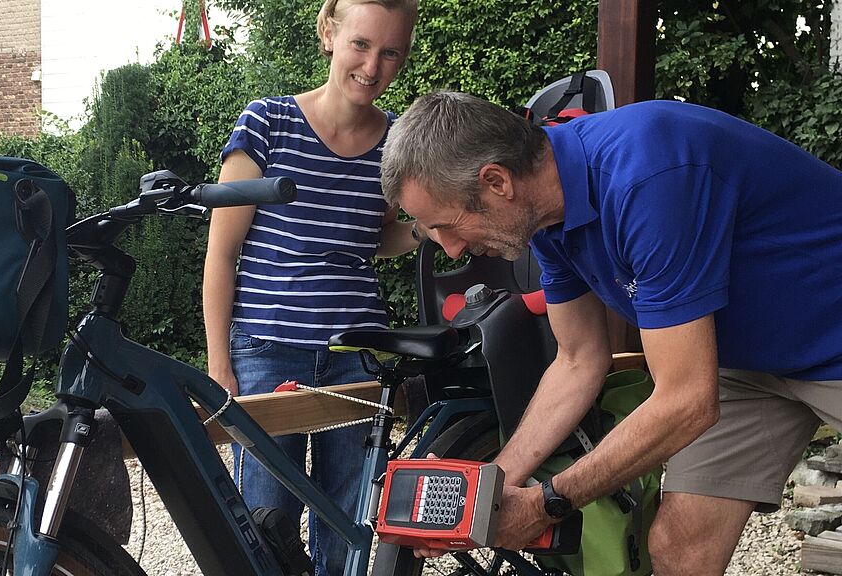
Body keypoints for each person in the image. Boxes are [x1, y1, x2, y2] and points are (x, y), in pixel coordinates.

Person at [379, 91, 842, 575]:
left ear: (496, 181)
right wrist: (490, 487)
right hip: (747, 362)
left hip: (832, 338)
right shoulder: (545, 216)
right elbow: (577, 359)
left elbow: (687, 399)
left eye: (447, 227)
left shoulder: (648, 178)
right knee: (681, 549)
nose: (452, 251)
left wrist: (547, 503)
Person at [202, 1, 422, 574]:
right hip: (268, 353)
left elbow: (369, 237)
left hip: (355, 357)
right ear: (329, 33)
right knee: (265, 527)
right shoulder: (267, 123)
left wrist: (433, 227)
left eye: (390, 51)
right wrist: (219, 363)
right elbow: (222, 254)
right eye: (361, 44)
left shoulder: (397, 142)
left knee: (345, 526)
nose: (373, 66)